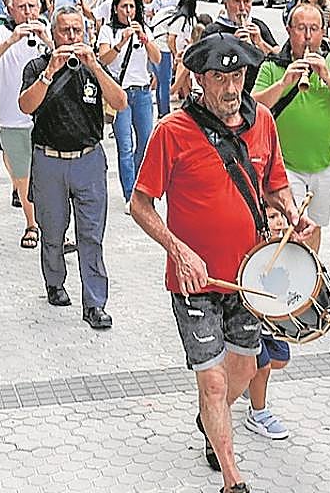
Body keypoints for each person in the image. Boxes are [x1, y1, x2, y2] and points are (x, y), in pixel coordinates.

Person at [129, 33, 314, 493]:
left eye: (238, 77)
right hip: (195, 282)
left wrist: (292, 211)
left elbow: (274, 184)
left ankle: (211, 421)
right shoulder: (172, 131)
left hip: (251, 279)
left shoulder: (263, 121)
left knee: (244, 370)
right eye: (219, 78)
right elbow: (140, 204)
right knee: (213, 384)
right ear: (199, 79)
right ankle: (232, 479)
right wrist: (178, 248)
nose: (231, 89)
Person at [18, 6, 127, 328]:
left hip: (89, 161)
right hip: (49, 160)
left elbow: (120, 102)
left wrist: (95, 65)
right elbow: (25, 106)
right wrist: (49, 72)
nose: (71, 37)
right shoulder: (37, 66)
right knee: (52, 232)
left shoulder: (95, 68)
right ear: (53, 35)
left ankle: (95, 304)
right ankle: (54, 281)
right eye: (65, 31)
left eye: (77, 31)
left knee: (91, 236)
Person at [252, 2, 330, 249]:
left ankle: (310, 276)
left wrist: (328, 77)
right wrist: (284, 83)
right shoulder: (273, 65)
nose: (307, 36)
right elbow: (252, 108)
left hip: (325, 163)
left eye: (314, 29)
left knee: (314, 225)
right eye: (301, 28)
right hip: (287, 165)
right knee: (291, 226)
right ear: (289, 30)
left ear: (323, 32)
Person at [0, 0, 52, 249]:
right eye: (21, 7)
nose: (27, 12)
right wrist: (11, 40)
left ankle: (52, 226)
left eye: (32, 6)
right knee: (22, 175)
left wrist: (46, 38)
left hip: (45, 116)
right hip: (12, 118)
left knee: (48, 174)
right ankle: (31, 223)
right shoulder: (1, 31)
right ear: (10, 9)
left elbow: (70, 57)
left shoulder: (47, 28)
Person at [98, 0, 161, 200]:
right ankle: (130, 195)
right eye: (124, 6)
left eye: (132, 6)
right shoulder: (107, 31)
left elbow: (157, 58)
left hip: (142, 93)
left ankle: (138, 183)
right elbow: (104, 59)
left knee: (145, 142)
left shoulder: (144, 29)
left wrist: (144, 39)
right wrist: (121, 42)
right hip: (120, 94)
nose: (128, 11)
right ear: (115, 9)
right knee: (125, 145)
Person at [244, 208, 292, 440]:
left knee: (280, 359)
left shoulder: (282, 247)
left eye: (281, 216)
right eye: (273, 217)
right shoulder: (253, 248)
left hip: (269, 322)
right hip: (248, 321)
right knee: (260, 367)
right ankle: (258, 414)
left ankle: (245, 381)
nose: (280, 223)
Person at [201, 0, 277, 92]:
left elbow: (278, 58)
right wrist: (233, 45)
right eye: (236, 2)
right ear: (225, 3)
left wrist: (260, 43)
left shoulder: (258, 26)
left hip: (257, 91)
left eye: (246, 2)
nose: (242, 8)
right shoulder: (213, 31)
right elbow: (204, 67)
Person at [151, 0, 198, 116]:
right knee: (165, 83)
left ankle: (161, 111)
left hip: (153, 46)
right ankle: (165, 112)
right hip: (163, 49)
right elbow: (171, 39)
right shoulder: (181, 18)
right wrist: (175, 54)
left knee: (160, 82)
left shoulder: (169, 10)